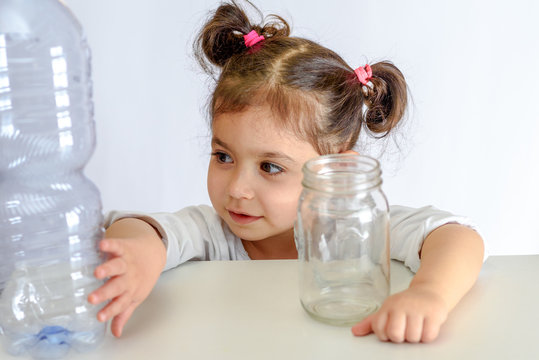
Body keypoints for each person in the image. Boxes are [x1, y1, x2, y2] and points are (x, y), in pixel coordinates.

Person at [87, 0, 485, 343]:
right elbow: (140, 230)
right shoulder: (213, 234)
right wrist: (138, 255)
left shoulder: (359, 229)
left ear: (337, 169)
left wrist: (429, 294)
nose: (238, 189)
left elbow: (457, 238)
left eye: (270, 167)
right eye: (223, 157)